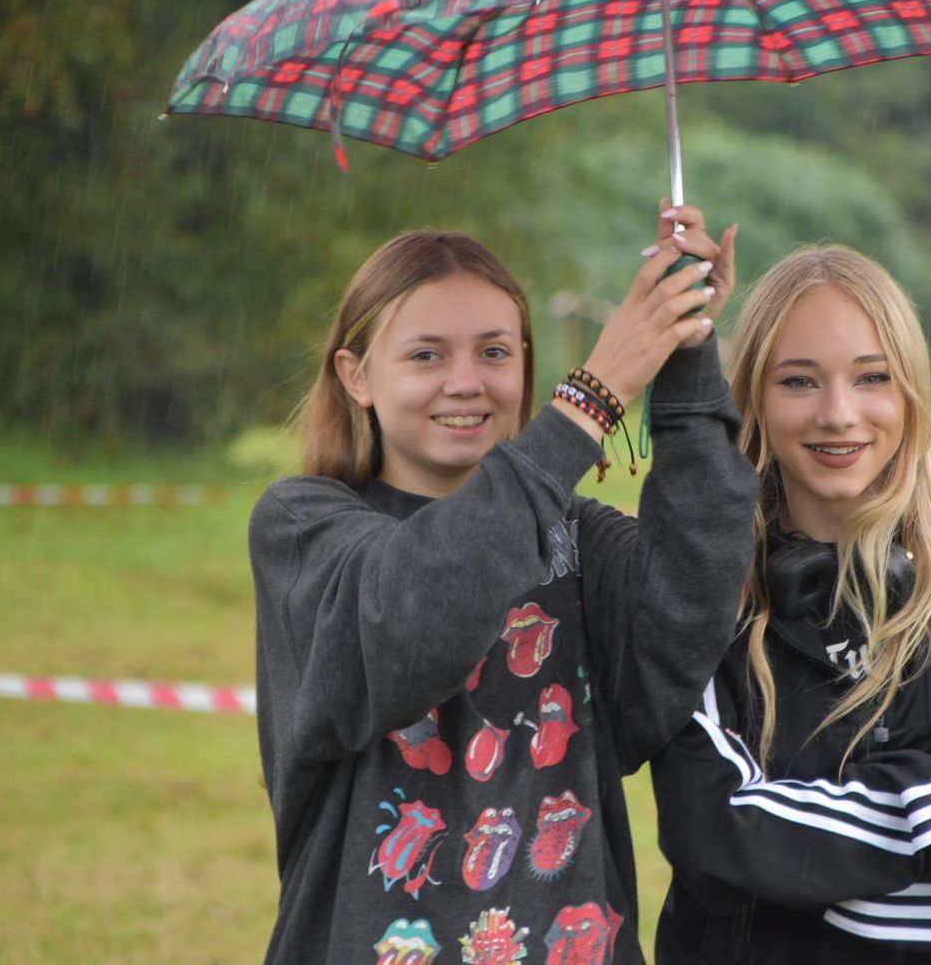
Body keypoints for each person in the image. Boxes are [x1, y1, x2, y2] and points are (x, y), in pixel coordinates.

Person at [247, 206, 758, 965]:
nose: (466, 382)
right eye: (426, 355)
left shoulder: (577, 538)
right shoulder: (302, 527)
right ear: (356, 376)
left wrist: (685, 351)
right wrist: (589, 399)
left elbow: (691, 603)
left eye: (494, 351)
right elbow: (414, 622)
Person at [650, 245, 931, 964]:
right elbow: (717, 834)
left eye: (871, 377)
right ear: (754, 397)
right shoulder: (704, 584)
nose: (838, 414)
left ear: (910, 390)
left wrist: (820, 890)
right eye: (799, 381)